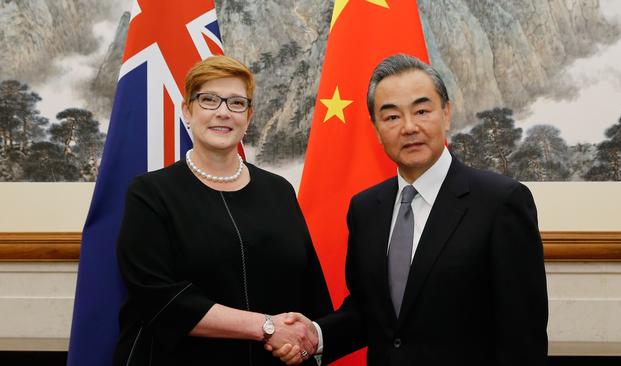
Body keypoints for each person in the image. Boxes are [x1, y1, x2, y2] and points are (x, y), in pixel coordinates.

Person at [271, 54, 548, 365]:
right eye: (391, 117)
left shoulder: (501, 202)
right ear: (375, 129)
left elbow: (523, 335)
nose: (409, 127)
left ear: (446, 114)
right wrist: (315, 335)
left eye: (422, 110)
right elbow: (369, 311)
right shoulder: (366, 209)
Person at [113, 55, 332, 366]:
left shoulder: (279, 191)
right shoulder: (150, 193)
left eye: (236, 103)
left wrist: (302, 341)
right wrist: (267, 327)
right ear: (187, 111)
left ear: (249, 116)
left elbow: (309, 289)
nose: (223, 113)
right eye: (209, 100)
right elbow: (159, 298)